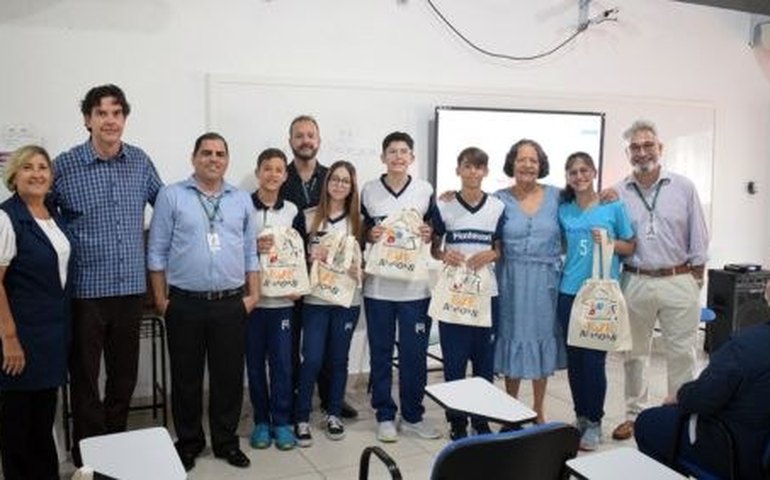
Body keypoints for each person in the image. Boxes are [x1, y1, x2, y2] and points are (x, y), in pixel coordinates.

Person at [51, 84, 163, 463]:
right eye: (101, 113)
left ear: (124, 119)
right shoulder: (64, 167)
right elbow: (40, 218)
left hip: (130, 289)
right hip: (85, 291)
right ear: (88, 120)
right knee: (84, 377)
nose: (110, 120)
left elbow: (167, 211)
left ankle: (115, 445)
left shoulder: (140, 162)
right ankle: (88, 452)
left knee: (123, 377)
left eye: (117, 113)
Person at [147, 132, 259, 471]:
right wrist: (161, 301)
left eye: (220, 153)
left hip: (230, 303)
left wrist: (254, 296)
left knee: (227, 378)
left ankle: (226, 442)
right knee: (186, 379)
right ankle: (189, 442)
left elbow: (251, 251)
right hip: (184, 304)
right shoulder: (172, 196)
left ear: (227, 160)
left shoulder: (241, 200)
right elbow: (156, 250)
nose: (213, 158)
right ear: (194, 157)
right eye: (206, 153)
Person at [610, 120, 709, 441]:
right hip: (634, 280)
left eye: (647, 145)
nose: (642, 152)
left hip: (678, 278)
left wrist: (695, 277)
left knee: (682, 352)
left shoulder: (683, 187)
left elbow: (699, 235)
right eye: (635, 147)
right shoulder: (618, 192)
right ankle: (634, 415)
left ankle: (676, 413)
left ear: (660, 148)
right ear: (628, 153)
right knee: (634, 353)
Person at [361, 131, 440, 443]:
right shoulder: (368, 191)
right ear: (383, 157)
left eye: (403, 151)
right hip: (379, 288)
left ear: (412, 157)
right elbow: (361, 230)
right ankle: (384, 414)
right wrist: (370, 234)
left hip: (414, 288)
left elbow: (435, 229)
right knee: (380, 353)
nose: (397, 156)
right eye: (391, 151)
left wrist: (428, 232)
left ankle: (412, 415)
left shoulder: (424, 190)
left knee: (413, 355)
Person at [0, 146, 72, 480]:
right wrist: (9, 338)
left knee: (42, 420)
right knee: (18, 427)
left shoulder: (52, 213)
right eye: (27, 167)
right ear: (14, 175)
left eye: (43, 167)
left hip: (51, 335)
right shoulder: (6, 217)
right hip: (20, 335)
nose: (37, 173)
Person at [556, 152, 635, 450]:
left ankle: (595, 422)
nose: (579, 176)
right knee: (575, 362)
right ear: (567, 176)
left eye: (584, 170)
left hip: (600, 295)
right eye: (573, 172)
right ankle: (580, 418)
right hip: (569, 293)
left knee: (593, 361)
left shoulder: (612, 205)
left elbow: (630, 245)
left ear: (594, 172)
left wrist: (611, 245)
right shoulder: (564, 210)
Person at [280, 115, 358, 419]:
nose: (305, 140)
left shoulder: (331, 176)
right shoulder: (279, 175)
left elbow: (355, 227)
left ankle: (330, 400)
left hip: (328, 285)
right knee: (295, 351)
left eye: (310, 135)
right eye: (299, 135)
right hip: (290, 279)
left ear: (319, 141)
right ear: (291, 141)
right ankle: (292, 401)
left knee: (329, 349)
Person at [634, 320, 770, 480]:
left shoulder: (748, 344)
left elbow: (703, 399)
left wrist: (680, 395)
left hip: (737, 453)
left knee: (647, 422)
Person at [430, 147, 503, 440]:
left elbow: (501, 248)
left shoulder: (497, 207)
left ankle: (481, 419)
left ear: (485, 171)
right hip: (454, 294)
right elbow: (434, 247)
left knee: (484, 361)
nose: (473, 172)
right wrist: (443, 253)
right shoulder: (444, 205)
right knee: (454, 361)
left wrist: (492, 254)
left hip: (487, 294)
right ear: (458, 169)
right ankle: (457, 421)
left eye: (479, 167)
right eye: (467, 166)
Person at [494, 138, 566, 424]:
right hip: (509, 278)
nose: (527, 165)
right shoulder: (498, 199)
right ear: (512, 163)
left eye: (533, 160)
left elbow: (586, 207)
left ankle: (538, 410)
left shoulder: (558, 196)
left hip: (545, 282)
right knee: (512, 337)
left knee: (540, 339)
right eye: (521, 159)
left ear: (541, 165)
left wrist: (608, 194)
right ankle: (511, 409)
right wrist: (451, 195)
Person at [294, 160, 363, 447]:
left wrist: (357, 269)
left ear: (352, 186)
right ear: (327, 183)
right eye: (335, 179)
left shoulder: (359, 220)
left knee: (338, 359)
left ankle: (333, 413)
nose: (339, 184)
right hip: (316, 299)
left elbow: (369, 261)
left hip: (347, 300)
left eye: (345, 181)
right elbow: (293, 257)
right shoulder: (309, 216)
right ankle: (301, 417)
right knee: (311, 359)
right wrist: (310, 258)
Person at [247, 148, 302, 452]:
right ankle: (261, 421)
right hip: (252, 301)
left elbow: (301, 254)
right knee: (254, 365)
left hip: (282, 302)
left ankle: (281, 421)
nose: (272, 174)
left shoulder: (292, 210)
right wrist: (254, 245)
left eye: (279, 169)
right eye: (267, 168)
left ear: (285, 175)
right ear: (258, 172)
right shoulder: (242, 206)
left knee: (282, 365)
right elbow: (233, 246)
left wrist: (298, 285)